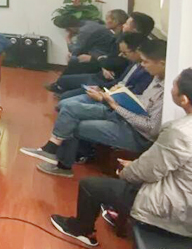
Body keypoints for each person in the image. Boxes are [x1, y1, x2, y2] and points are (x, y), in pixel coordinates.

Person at [49, 68, 192, 246]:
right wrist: (137, 165)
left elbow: (147, 172)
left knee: (90, 186)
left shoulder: (180, 132)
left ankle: (82, 230)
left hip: (175, 208)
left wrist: (125, 171)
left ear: (184, 99)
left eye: (174, 86)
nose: (170, 89)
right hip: (183, 198)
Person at [21, 40, 167, 178]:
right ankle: (51, 148)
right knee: (70, 108)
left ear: (162, 63)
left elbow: (151, 128)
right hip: (123, 115)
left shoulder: (165, 92)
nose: (142, 65)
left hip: (136, 134)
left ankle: (63, 166)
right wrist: (119, 96)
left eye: (146, 62)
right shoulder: (156, 77)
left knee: (74, 125)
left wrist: (116, 106)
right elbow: (142, 100)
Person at [52, 33, 152, 100]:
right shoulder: (133, 63)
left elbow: (131, 94)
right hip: (106, 86)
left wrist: (103, 93)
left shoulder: (146, 71)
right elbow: (119, 81)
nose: (121, 55)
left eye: (125, 53)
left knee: (65, 101)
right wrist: (100, 88)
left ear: (137, 50)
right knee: (65, 91)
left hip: (111, 97)